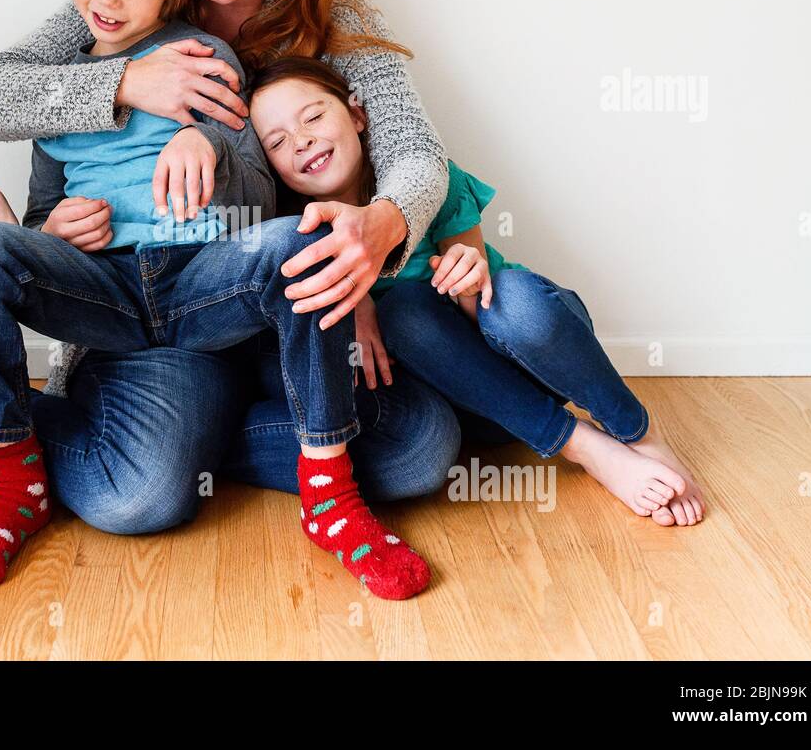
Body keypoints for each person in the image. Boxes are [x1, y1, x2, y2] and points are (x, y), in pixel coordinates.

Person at [0, 0, 459, 540]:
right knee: (136, 499)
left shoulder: (335, 15)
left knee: (420, 446)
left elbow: (417, 153)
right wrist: (126, 81)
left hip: (274, 308)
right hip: (150, 318)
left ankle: (179, 440)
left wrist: (381, 225)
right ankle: (118, 435)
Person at [245, 56, 707, 526]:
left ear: (359, 115)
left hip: (532, 354)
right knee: (404, 313)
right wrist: (356, 301)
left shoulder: (422, 181)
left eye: (314, 116)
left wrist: (469, 278)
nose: (301, 140)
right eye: (278, 142)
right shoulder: (297, 235)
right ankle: (586, 449)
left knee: (518, 303)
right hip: (479, 406)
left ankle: (636, 433)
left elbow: (483, 295)